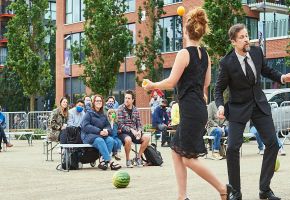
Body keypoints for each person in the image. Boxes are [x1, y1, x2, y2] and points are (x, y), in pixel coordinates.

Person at [143, 7, 231, 200]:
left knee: (189, 159)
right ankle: (182, 197)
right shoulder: (205, 55)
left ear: (186, 31)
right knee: (176, 151)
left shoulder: (184, 53)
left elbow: (171, 82)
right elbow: (207, 83)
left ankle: (223, 188)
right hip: (198, 107)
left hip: (191, 109)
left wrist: (152, 85)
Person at [215, 23, 290, 200]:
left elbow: (266, 70)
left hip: (259, 105)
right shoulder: (226, 62)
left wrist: (281, 77)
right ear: (233, 41)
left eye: (247, 35)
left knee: (273, 143)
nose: (246, 39)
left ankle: (264, 189)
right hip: (238, 108)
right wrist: (220, 105)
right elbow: (218, 89)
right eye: (241, 37)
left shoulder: (256, 52)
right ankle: (235, 191)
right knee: (233, 148)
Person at [81, 94, 121, 170]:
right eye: (97, 101)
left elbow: (108, 126)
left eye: (100, 101)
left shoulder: (103, 114)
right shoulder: (89, 113)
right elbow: (85, 126)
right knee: (100, 140)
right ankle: (111, 162)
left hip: (101, 134)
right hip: (89, 136)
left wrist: (107, 130)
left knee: (110, 140)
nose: (99, 102)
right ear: (93, 102)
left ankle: (103, 162)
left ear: (102, 102)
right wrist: (99, 131)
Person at [117, 90, 150, 168]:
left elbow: (139, 123)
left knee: (147, 137)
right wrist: (131, 130)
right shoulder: (120, 108)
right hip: (124, 132)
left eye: (128, 98)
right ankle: (128, 160)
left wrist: (139, 130)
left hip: (135, 132)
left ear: (132, 100)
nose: (126, 100)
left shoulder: (136, 110)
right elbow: (120, 124)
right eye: (125, 98)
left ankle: (138, 157)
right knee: (128, 139)